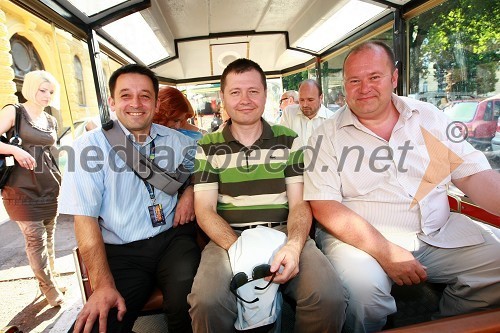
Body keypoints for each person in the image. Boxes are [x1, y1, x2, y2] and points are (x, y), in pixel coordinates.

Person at [303, 41, 500, 333]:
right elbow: (325, 205)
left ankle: (448, 324)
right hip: (362, 242)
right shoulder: (325, 137)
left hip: (437, 232)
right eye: (354, 81)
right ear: (344, 86)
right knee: (363, 293)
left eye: (374, 77)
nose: (364, 87)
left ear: (393, 78)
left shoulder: (429, 116)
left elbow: (471, 174)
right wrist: (385, 250)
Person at [188, 58, 346, 332]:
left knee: (328, 297)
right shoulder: (207, 146)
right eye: (235, 92)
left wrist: (294, 246)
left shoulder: (289, 139)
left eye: (253, 91)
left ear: (264, 95)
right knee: (207, 302)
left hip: (284, 231)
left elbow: (299, 204)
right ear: (223, 98)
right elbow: (204, 210)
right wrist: (240, 248)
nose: (245, 99)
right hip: (228, 235)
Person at [58, 64, 201, 333]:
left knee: (190, 300)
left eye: (145, 95)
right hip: (121, 251)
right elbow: (85, 221)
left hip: (172, 239)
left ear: (156, 102)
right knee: (101, 323)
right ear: (112, 102)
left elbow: (205, 172)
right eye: (126, 95)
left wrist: (191, 192)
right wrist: (102, 286)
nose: (136, 103)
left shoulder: (181, 142)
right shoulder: (86, 149)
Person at [0, 70, 64, 307]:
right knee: (35, 240)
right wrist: (15, 150)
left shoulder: (50, 119)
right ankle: (48, 288)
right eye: (42, 90)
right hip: (21, 189)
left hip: (49, 186)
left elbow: (51, 153)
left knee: (49, 238)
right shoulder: (14, 111)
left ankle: (53, 279)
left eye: (50, 92)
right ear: (30, 88)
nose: (47, 96)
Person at [280, 79, 335, 146]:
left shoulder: (332, 120)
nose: (305, 105)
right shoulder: (289, 113)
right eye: (301, 100)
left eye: (310, 100)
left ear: (321, 98)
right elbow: (281, 143)